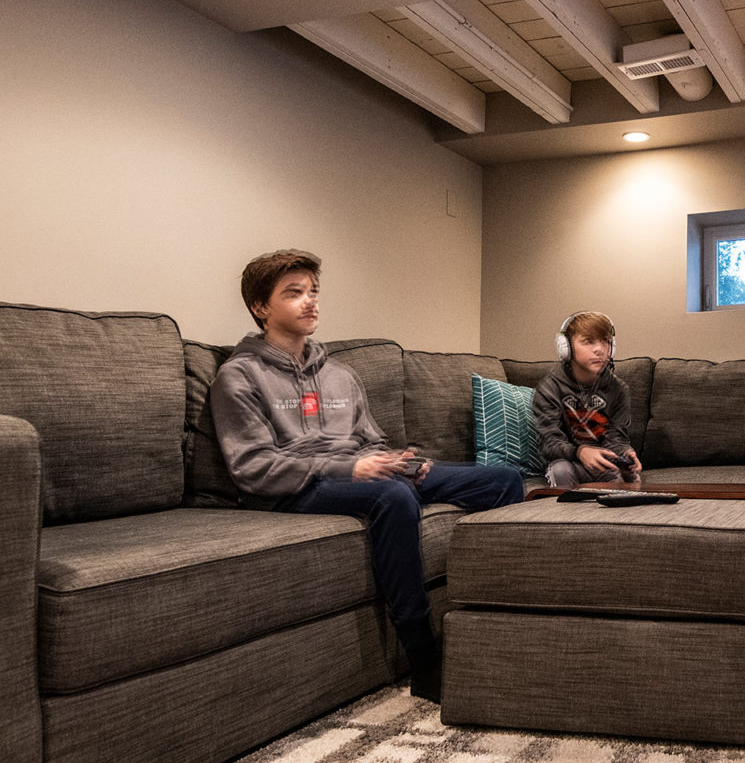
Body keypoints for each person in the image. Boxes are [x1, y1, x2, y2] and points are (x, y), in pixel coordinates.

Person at [209, 249, 523, 703]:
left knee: (502, 480)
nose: (310, 301)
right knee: (392, 496)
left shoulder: (340, 374)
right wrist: (352, 468)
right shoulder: (238, 376)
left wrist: (399, 460)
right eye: (293, 293)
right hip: (296, 488)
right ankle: (424, 656)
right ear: (261, 307)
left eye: (313, 291)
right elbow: (253, 469)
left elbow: (370, 441)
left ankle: (495, 619)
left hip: (361, 474)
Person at [533, 311, 639, 487]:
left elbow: (616, 438)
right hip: (568, 461)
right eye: (588, 341)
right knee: (561, 471)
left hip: (603, 464)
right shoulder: (550, 387)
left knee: (631, 479)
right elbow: (549, 442)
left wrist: (626, 454)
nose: (600, 349)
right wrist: (580, 451)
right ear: (565, 348)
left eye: (605, 341)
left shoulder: (618, 389)